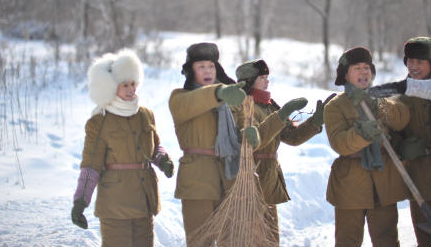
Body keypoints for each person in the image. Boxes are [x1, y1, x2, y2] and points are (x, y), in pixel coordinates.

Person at [168, 43, 305, 246]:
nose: (207, 71)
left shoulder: (230, 102)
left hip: (230, 178)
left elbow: (243, 138)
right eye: (201, 66)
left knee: (233, 240)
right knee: (200, 241)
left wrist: (253, 135)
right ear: (191, 71)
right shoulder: (180, 97)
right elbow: (193, 103)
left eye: (211, 66)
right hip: (198, 181)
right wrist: (219, 93)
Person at [70, 49, 174, 247]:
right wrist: (80, 203)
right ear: (110, 88)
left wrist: (163, 160)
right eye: (124, 85)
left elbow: (154, 147)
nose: (130, 89)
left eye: (132, 83)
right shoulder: (100, 121)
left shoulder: (145, 114)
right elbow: (91, 165)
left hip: (144, 201)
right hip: (115, 205)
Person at [232, 59, 335, 245]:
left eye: (267, 77)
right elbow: (254, 140)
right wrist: (281, 115)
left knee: (270, 237)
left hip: (269, 177)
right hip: (250, 176)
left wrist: (316, 121)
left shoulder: (269, 105)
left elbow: (292, 137)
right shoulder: (242, 106)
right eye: (262, 77)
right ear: (248, 81)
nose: (267, 81)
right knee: (251, 236)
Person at [373, 37, 431, 246]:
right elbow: (388, 135)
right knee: (427, 241)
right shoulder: (397, 97)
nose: (413, 67)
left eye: (420, 62)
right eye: (410, 61)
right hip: (419, 180)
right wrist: (401, 147)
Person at [323, 46, 410, 247]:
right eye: (357, 68)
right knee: (348, 241)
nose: (363, 72)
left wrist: (379, 104)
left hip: (384, 182)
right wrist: (362, 133)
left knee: (387, 240)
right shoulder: (335, 106)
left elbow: (402, 120)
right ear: (345, 74)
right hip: (350, 185)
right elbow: (340, 143)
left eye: (366, 67)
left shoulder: (383, 97)